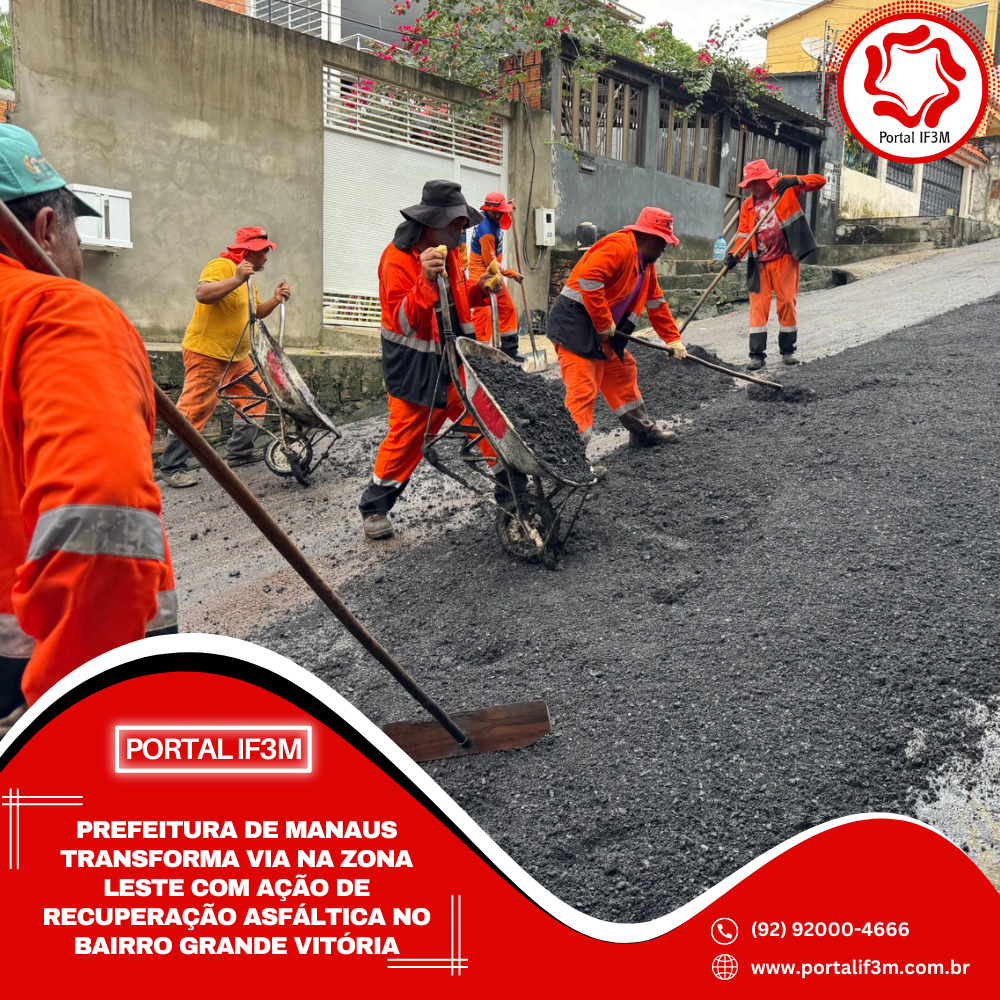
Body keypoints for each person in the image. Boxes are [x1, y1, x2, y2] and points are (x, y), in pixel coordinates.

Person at [0, 124, 177, 736]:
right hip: (39, 667)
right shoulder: (57, 312)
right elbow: (103, 521)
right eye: (77, 230)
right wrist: (69, 712)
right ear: (46, 227)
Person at [358, 180, 524, 540]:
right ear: (433, 223)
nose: (462, 231)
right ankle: (374, 508)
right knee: (408, 436)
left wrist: (479, 288)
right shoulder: (396, 260)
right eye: (456, 224)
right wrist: (424, 280)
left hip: (454, 358)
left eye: (463, 224)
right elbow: (404, 321)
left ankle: (513, 493)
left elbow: (455, 297)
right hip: (415, 366)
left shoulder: (449, 253)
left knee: (485, 418)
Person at [546, 207, 688, 467]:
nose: (665, 249)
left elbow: (656, 304)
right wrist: (603, 321)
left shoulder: (646, 266)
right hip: (574, 326)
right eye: (663, 242)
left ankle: (642, 432)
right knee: (582, 390)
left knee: (622, 372)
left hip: (599, 331)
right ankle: (570, 463)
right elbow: (589, 279)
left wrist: (673, 339)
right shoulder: (619, 246)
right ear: (649, 237)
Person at [158, 227, 291, 487]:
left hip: (237, 357)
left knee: (256, 397)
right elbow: (202, 294)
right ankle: (172, 467)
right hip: (207, 353)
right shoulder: (221, 266)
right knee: (195, 408)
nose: (266, 257)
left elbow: (256, 312)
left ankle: (239, 452)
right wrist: (237, 279)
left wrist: (275, 300)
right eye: (264, 252)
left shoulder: (247, 278)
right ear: (250, 251)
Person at [724, 159, 827, 369]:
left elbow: (820, 181)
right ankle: (757, 355)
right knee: (758, 308)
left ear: (766, 179)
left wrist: (795, 180)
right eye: (749, 184)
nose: (752, 187)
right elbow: (743, 234)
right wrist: (735, 255)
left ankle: (788, 351)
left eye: (755, 182)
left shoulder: (784, 189)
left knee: (787, 302)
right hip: (759, 262)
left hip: (784, 258)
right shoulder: (747, 205)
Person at [467, 191, 524, 360]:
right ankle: (479, 355)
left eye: (501, 212)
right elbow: (491, 263)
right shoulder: (486, 231)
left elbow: (505, 224)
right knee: (483, 313)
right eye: (495, 213)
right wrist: (513, 274)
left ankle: (509, 350)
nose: (498, 216)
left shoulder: (495, 218)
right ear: (487, 209)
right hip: (482, 274)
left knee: (508, 307)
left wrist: (509, 209)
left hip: (494, 272)